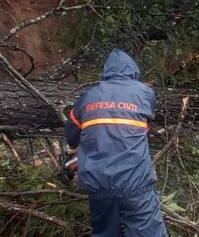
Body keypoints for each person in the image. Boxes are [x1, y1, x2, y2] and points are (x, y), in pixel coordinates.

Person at [64, 49, 167, 237]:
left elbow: (72, 130)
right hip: (135, 181)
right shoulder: (145, 93)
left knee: (104, 232)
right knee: (147, 231)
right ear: (133, 72)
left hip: (98, 182)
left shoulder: (88, 97)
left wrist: (72, 150)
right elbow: (144, 128)